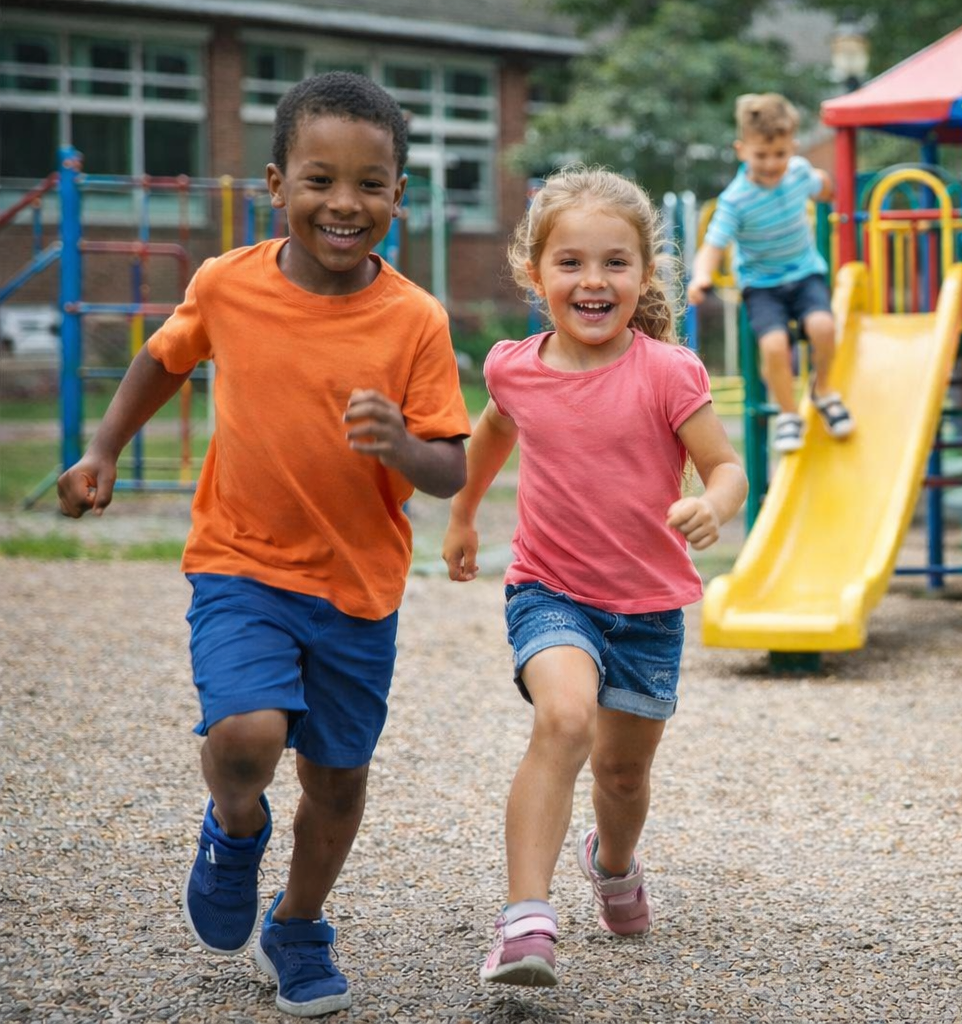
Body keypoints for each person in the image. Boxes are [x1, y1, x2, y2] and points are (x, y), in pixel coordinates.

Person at [56, 71, 471, 1018]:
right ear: (275, 187)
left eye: (371, 184)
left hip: (359, 588)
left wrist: (401, 446)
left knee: (335, 777)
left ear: (399, 198)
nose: (345, 203)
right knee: (245, 739)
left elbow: (449, 467)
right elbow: (164, 359)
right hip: (240, 563)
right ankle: (234, 827)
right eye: (320, 180)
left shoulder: (415, 318)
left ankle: (298, 923)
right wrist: (101, 447)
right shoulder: (227, 284)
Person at [442, 166, 747, 988]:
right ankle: (524, 923)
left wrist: (715, 504)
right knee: (565, 720)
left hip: (647, 609)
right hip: (550, 590)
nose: (593, 280)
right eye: (570, 262)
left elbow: (725, 467)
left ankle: (612, 863)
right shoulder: (515, 367)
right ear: (534, 274)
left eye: (615, 263)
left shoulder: (669, 371)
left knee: (623, 775)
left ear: (644, 276)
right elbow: (491, 435)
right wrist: (465, 514)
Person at [686, 92, 852, 454]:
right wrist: (701, 277)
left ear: (792, 147)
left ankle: (823, 391)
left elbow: (824, 186)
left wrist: (830, 189)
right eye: (761, 155)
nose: (772, 164)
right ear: (741, 149)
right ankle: (789, 414)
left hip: (805, 273)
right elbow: (713, 246)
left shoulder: (798, 174)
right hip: (762, 285)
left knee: (824, 327)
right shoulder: (736, 199)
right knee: (774, 346)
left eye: (780, 154)